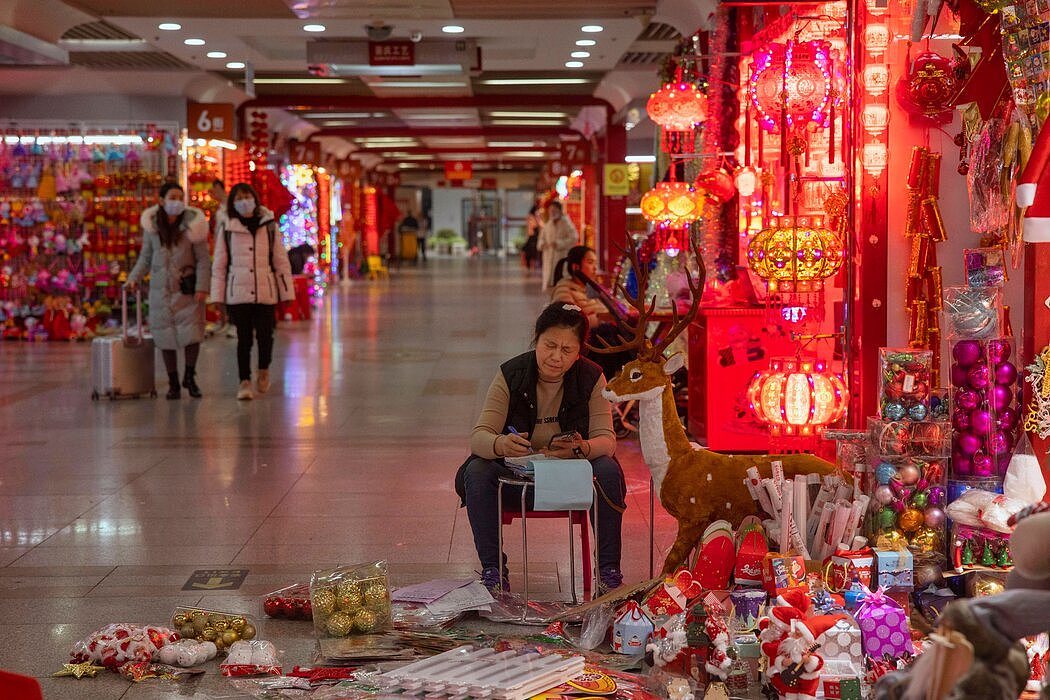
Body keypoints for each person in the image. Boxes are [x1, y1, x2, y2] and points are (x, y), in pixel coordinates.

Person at [455, 303, 626, 594]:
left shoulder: (591, 377)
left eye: (567, 350)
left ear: (579, 351)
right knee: (477, 470)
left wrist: (580, 449)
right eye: (549, 345)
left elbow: (606, 441)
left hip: (569, 481)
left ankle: (609, 572)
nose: (556, 357)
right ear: (536, 338)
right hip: (518, 483)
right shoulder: (511, 374)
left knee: (608, 471)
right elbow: (479, 437)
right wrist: (501, 444)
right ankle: (494, 571)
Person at [125, 182, 211, 399]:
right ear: (161, 200)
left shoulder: (194, 226)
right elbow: (145, 257)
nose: (176, 202)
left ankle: (190, 377)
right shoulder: (153, 227)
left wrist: (202, 286)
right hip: (160, 289)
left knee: (192, 334)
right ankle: (173, 382)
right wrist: (133, 278)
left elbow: (203, 259)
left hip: (187, 288)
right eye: (172, 197)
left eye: (180, 197)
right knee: (165, 336)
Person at [210, 183, 295, 400]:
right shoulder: (227, 229)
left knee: (266, 336)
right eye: (239, 198)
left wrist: (286, 293)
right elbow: (219, 265)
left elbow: (280, 261)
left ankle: (264, 369)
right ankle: (244, 381)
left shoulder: (269, 226)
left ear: (255, 198)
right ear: (232, 202)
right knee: (244, 338)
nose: (243, 201)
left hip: (265, 291)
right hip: (237, 292)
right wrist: (217, 297)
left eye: (247, 196)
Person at [550, 245, 633, 380]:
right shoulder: (564, 290)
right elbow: (568, 323)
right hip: (591, 344)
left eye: (595, 263)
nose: (595, 268)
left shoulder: (589, 288)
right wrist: (601, 318)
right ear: (575, 267)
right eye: (590, 262)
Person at [538, 201, 579, 288]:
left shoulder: (567, 224)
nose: (552, 212)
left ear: (560, 211)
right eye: (550, 210)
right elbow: (541, 240)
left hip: (562, 257)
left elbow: (574, 238)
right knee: (550, 285)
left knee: (561, 284)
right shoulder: (547, 225)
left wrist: (559, 243)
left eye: (554, 210)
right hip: (548, 258)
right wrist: (543, 244)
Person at [522, 205, 541, 270]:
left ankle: (530, 263)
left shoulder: (532, 216)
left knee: (530, 250)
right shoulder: (532, 217)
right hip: (533, 234)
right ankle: (529, 263)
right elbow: (536, 225)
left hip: (533, 234)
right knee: (531, 250)